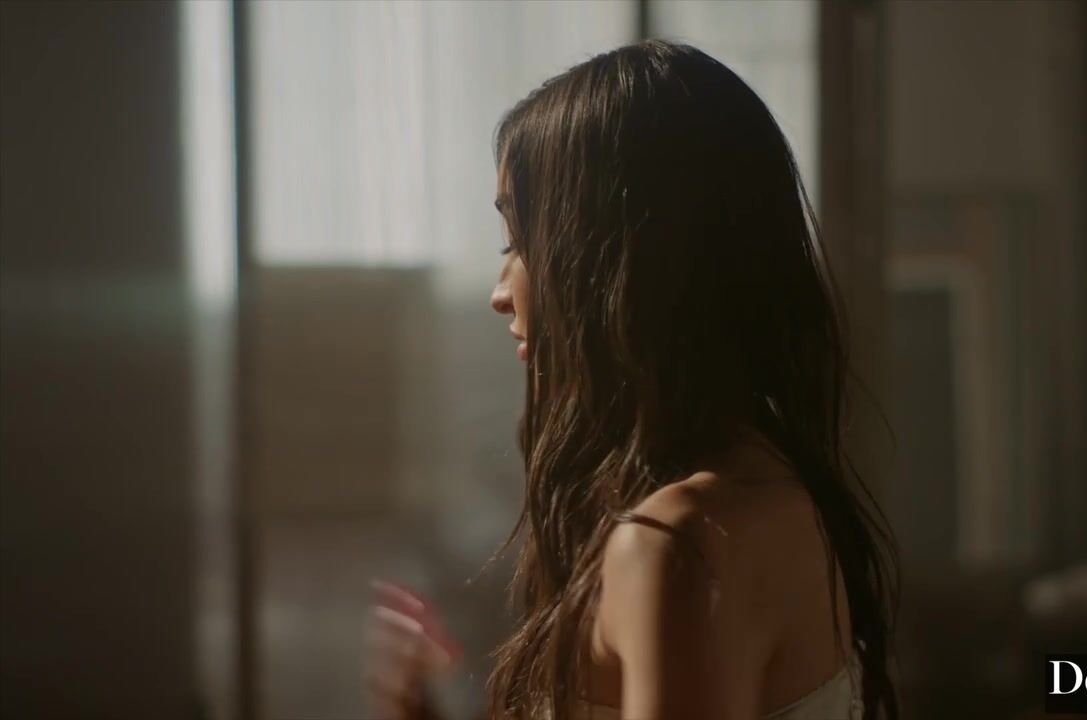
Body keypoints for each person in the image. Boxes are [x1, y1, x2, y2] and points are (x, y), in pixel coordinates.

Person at [367, 40, 898, 720]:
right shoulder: (775, 492)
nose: (501, 292)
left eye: (520, 242)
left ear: (618, 259)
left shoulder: (677, 546)